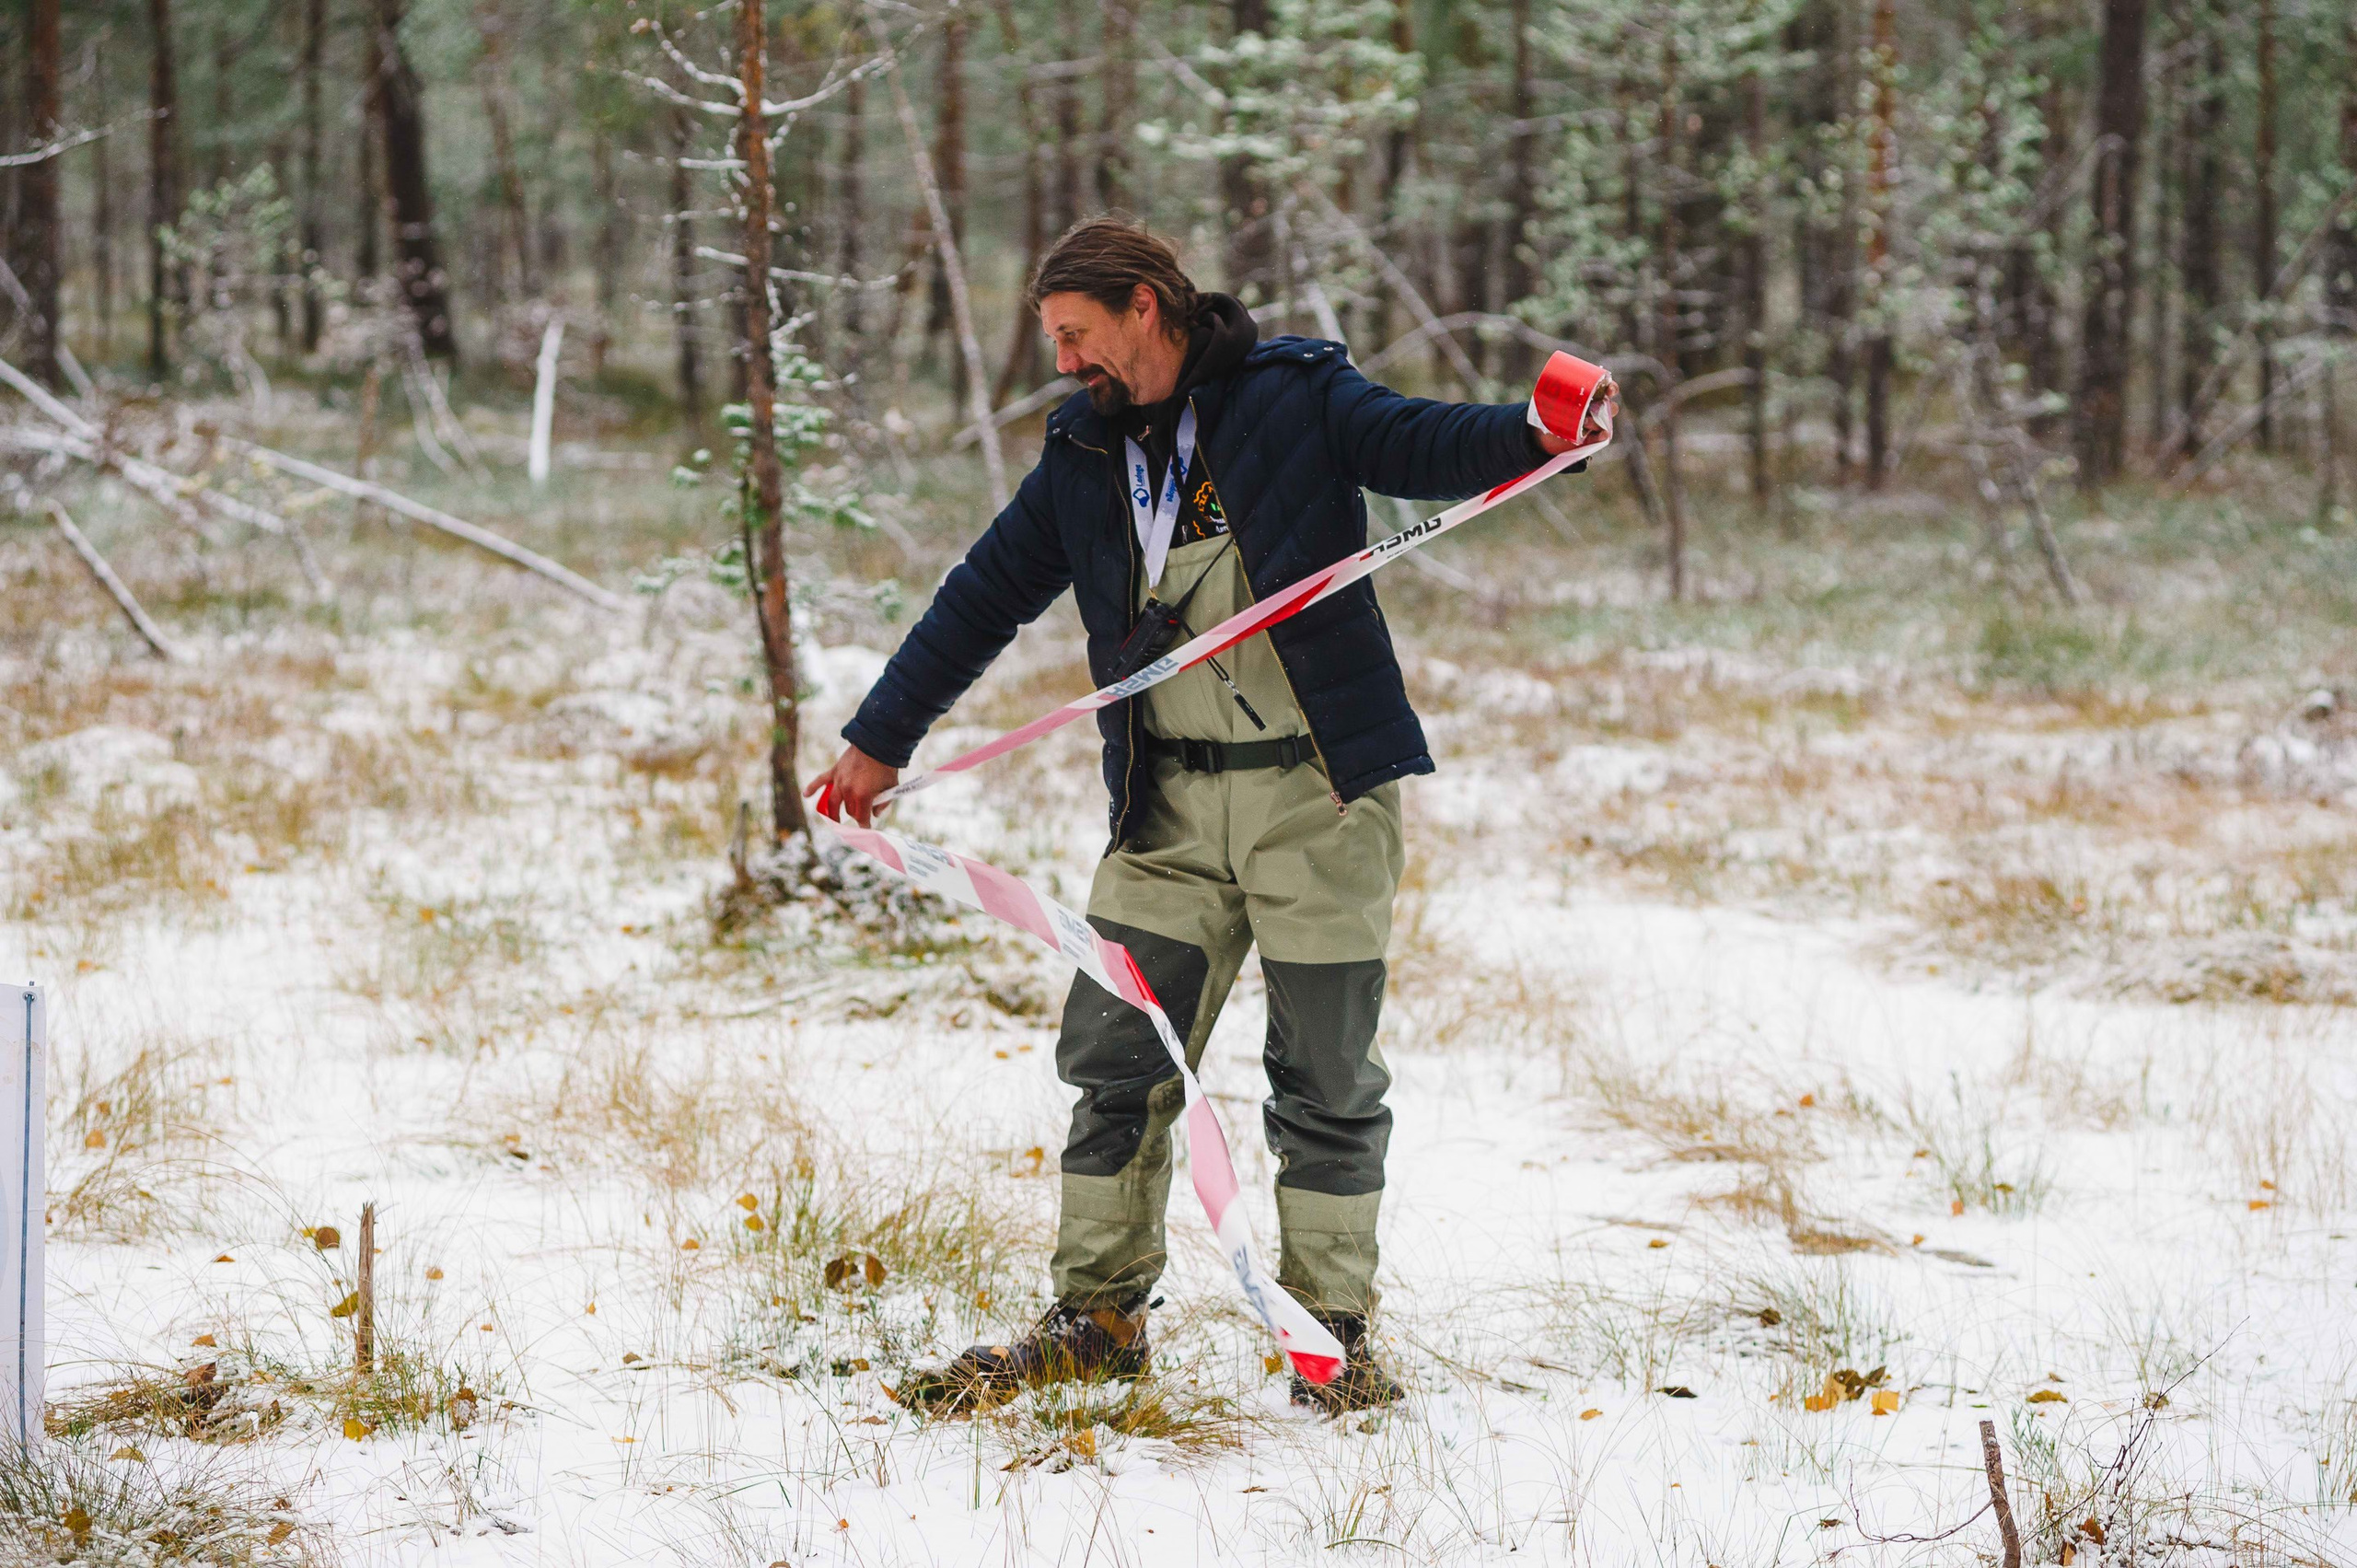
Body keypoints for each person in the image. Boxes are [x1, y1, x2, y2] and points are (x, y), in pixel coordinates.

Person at [808, 217, 1612, 1414]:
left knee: (1326, 1079)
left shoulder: (1294, 394)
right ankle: (1097, 1319)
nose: (1070, 364)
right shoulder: (1084, 450)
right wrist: (882, 737)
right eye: (1056, 346)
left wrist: (1540, 432)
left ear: (1147, 305)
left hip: (1317, 798)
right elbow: (983, 594)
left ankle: (1331, 1346)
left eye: (1081, 336)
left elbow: (1420, 441)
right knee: (1115, 1064)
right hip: (1166, 812)